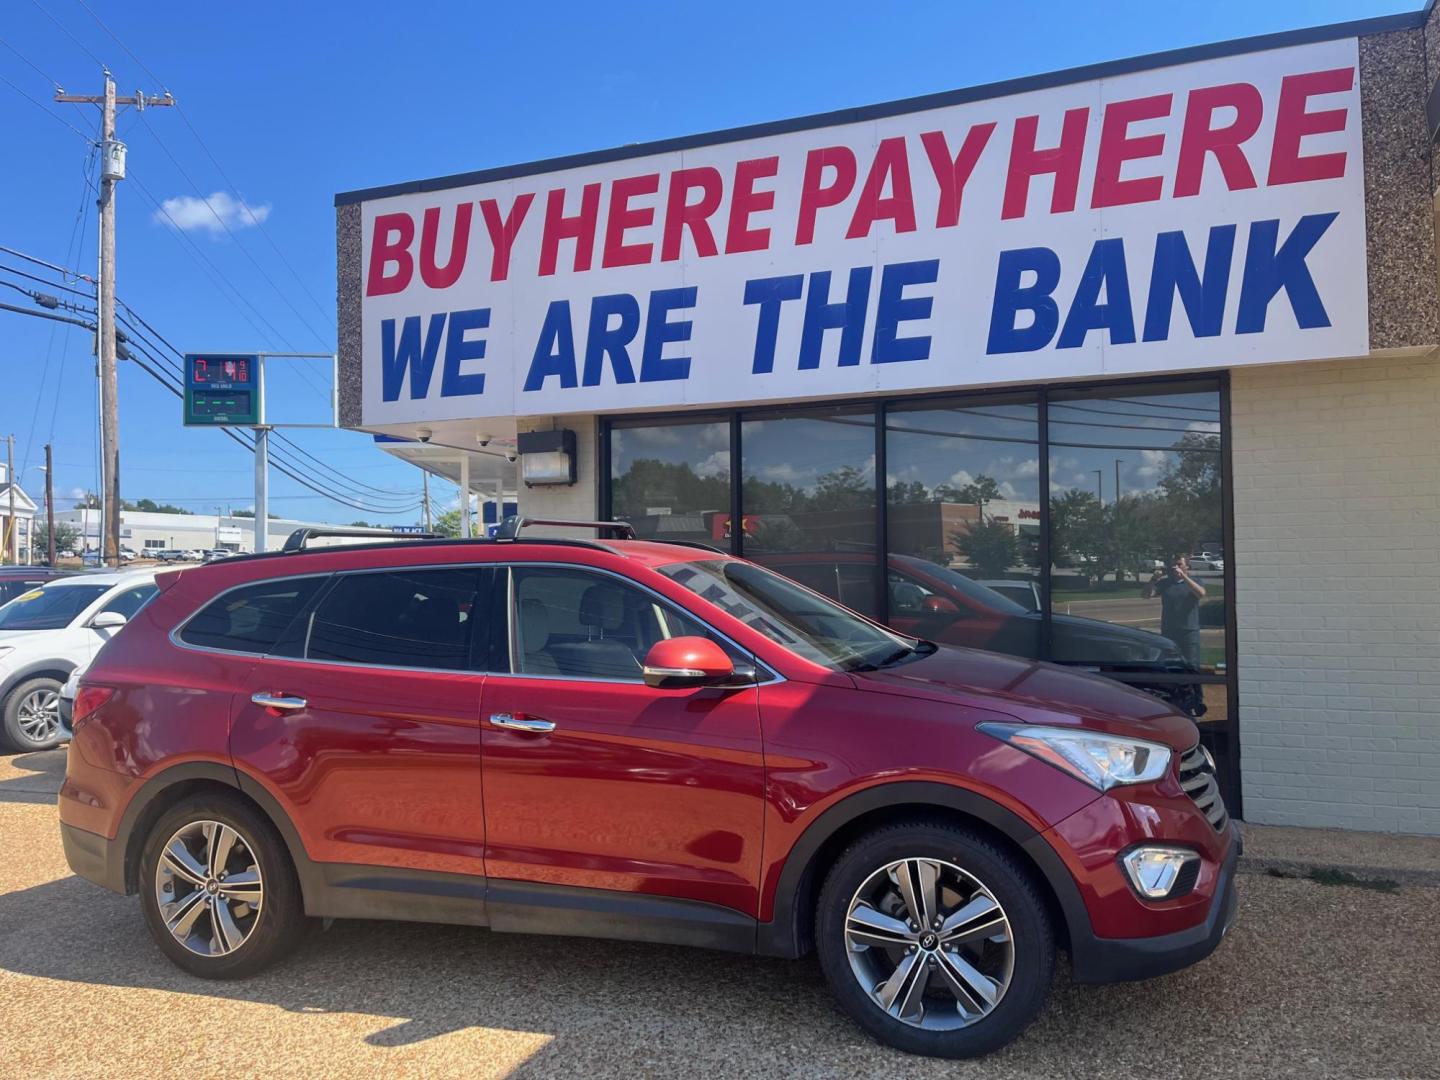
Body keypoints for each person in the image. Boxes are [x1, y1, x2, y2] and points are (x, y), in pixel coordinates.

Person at [1144, 553, 1206, 668]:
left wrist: (1184, 577)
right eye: (1173, 564)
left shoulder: (1195, 581)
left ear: (1187, 566)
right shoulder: (1165, 583)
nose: (1175, 567)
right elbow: (1147, 595)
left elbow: (1201, 593)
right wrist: (1153, 579)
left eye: (1179, 564)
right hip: (1169, 630)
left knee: (1191, 664)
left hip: (1189, 631)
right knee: (1170, 663)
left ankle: (1192, 685)